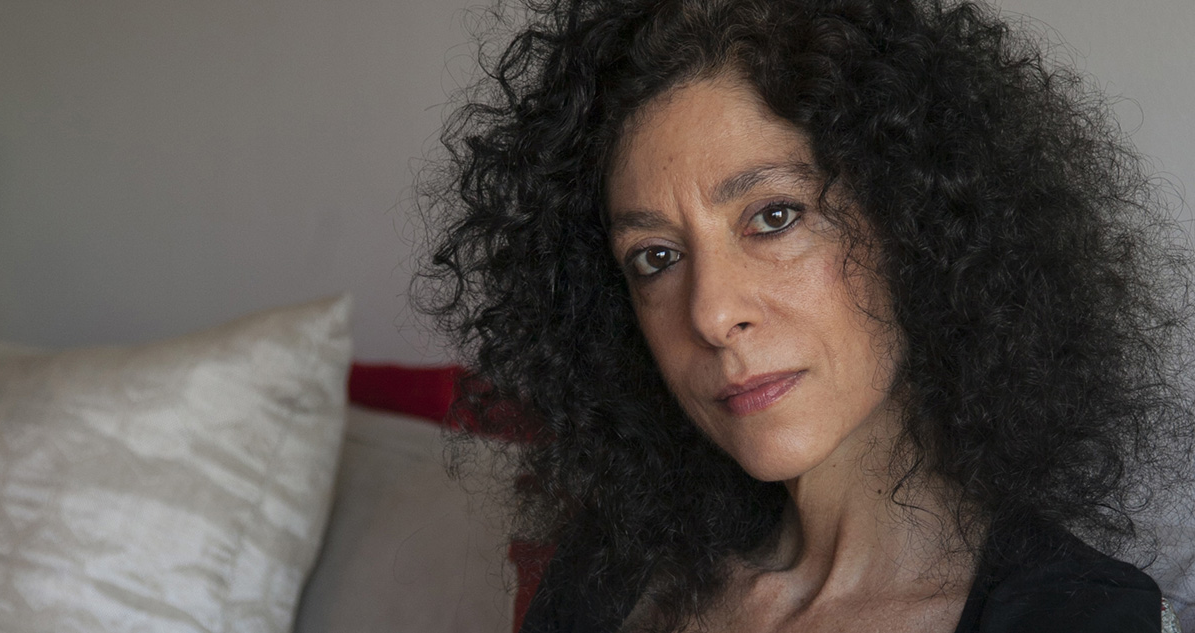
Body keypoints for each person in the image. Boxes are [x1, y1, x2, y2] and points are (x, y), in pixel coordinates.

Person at [417, 0, 1195, 631]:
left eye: (774, 216)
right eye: (656, 256)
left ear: (912, 223)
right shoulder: (611, 575)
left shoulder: (1082, 616)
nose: (712, 313)